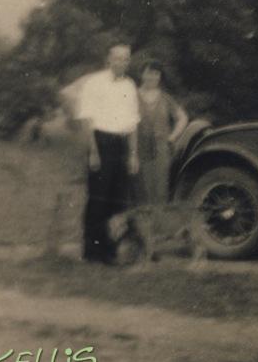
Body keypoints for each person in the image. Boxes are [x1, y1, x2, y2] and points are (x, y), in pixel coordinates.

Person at [75, 44, 140, 264]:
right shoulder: (94, 83)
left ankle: (111, 251)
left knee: (118, 201)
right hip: (101, 143)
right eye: (117, 58)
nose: (121, 62)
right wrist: (93, 152)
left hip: (122, 145)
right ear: (109, 59)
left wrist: (132, 155)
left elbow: (132, 123)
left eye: (125, 59)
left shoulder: (130, 85)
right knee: (98, 198)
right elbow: (87, 120)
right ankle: (92, 252)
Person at [133, 59, 189, 263]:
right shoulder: (133, 96)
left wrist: (172, 137)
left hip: (161, 152)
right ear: (142, 74)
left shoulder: (166, 98)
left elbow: (183, 117)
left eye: (156, 74)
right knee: (142, 197)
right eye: (148, 73)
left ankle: (156, 246)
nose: (152, 77)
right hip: (139, 151)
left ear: (160, 77)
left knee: (159, 196)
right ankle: (144, 244)